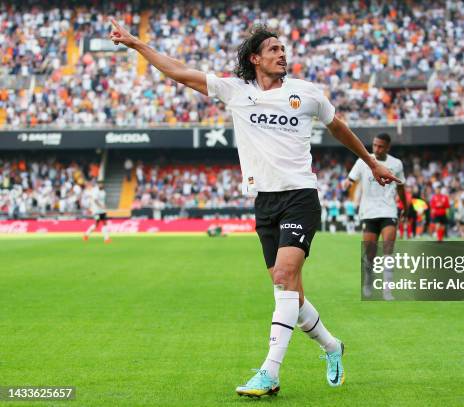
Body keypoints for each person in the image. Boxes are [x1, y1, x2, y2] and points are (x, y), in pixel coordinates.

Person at [109, 21, 400, 397]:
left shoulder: (306, 93)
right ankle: (332, 347)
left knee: (283, 277)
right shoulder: (235, 91)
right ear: (255, 58)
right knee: (291, 294)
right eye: (274, 49)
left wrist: (372, 162)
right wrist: (136, 44)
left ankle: (270, 372)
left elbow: (338, 126)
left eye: (283, 49)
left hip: (300, 196)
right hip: (264, 201)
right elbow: (179, 72)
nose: (282, 54)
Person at [345, 133, 407, 300]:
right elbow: (351, 179)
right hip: (369, 212)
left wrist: (406, 208)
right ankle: (368, 280)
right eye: (375, 145)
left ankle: (387, 290)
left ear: (388, 147)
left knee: (388, 249)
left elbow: (401, 188)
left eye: (380, 146)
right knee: (370, 252)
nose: (377, 149)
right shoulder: (363, 161)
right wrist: (347, 183)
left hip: (389, 211)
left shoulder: (396, 164)